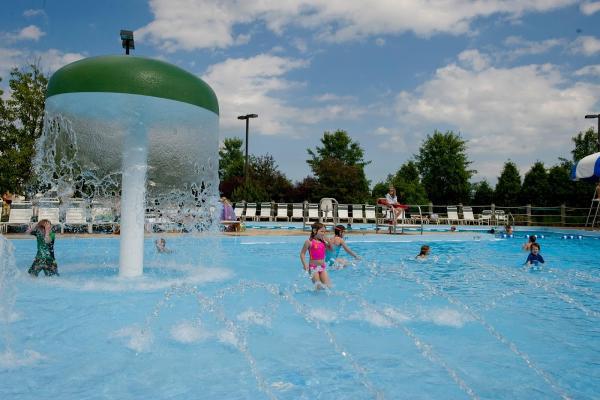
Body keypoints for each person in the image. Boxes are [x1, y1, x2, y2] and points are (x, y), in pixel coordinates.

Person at [300, 222, 331, 288]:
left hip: (322, 267)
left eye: (324, 232)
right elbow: (302, 254)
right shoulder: (309, 242)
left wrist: (328, 241)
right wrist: (304, 265)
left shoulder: (323, 242)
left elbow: (330, 249)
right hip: (313, 268)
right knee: (318, 287)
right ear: (314, 231)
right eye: (321, 231)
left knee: (328, 286)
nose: (323, 233)